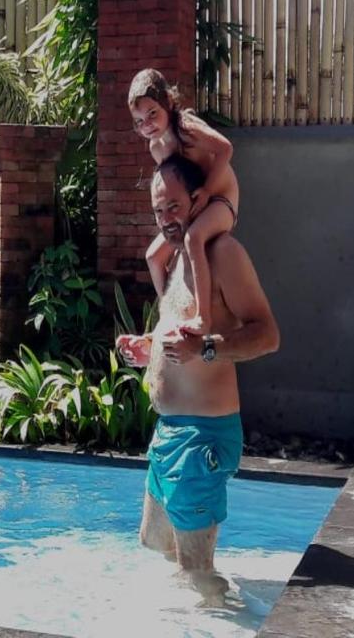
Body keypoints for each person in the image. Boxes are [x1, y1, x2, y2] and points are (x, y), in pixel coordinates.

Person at [117, 155, 279, 601]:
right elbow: (181, 332)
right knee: (155, 542)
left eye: (173, 206)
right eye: (158, 211)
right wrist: (148, 347)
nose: (166, 219)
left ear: (197, 199)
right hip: (169, 432)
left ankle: (221, 618)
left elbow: (267, 335)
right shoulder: (177, 261)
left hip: (204, 436)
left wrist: (206, 349)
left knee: (195, 572)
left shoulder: (224, 254)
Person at [128, 68, 238, 336]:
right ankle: (169, 313)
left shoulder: (186, 128)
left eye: (152, 113)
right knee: (153, 257)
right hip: (191, 209)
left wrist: (208, 190)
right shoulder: (157, 148)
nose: (148, 125)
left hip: (221, 200)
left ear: (167, 101)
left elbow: (225, 149)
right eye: (139, 121)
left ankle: (204, 319)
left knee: (193, 239)